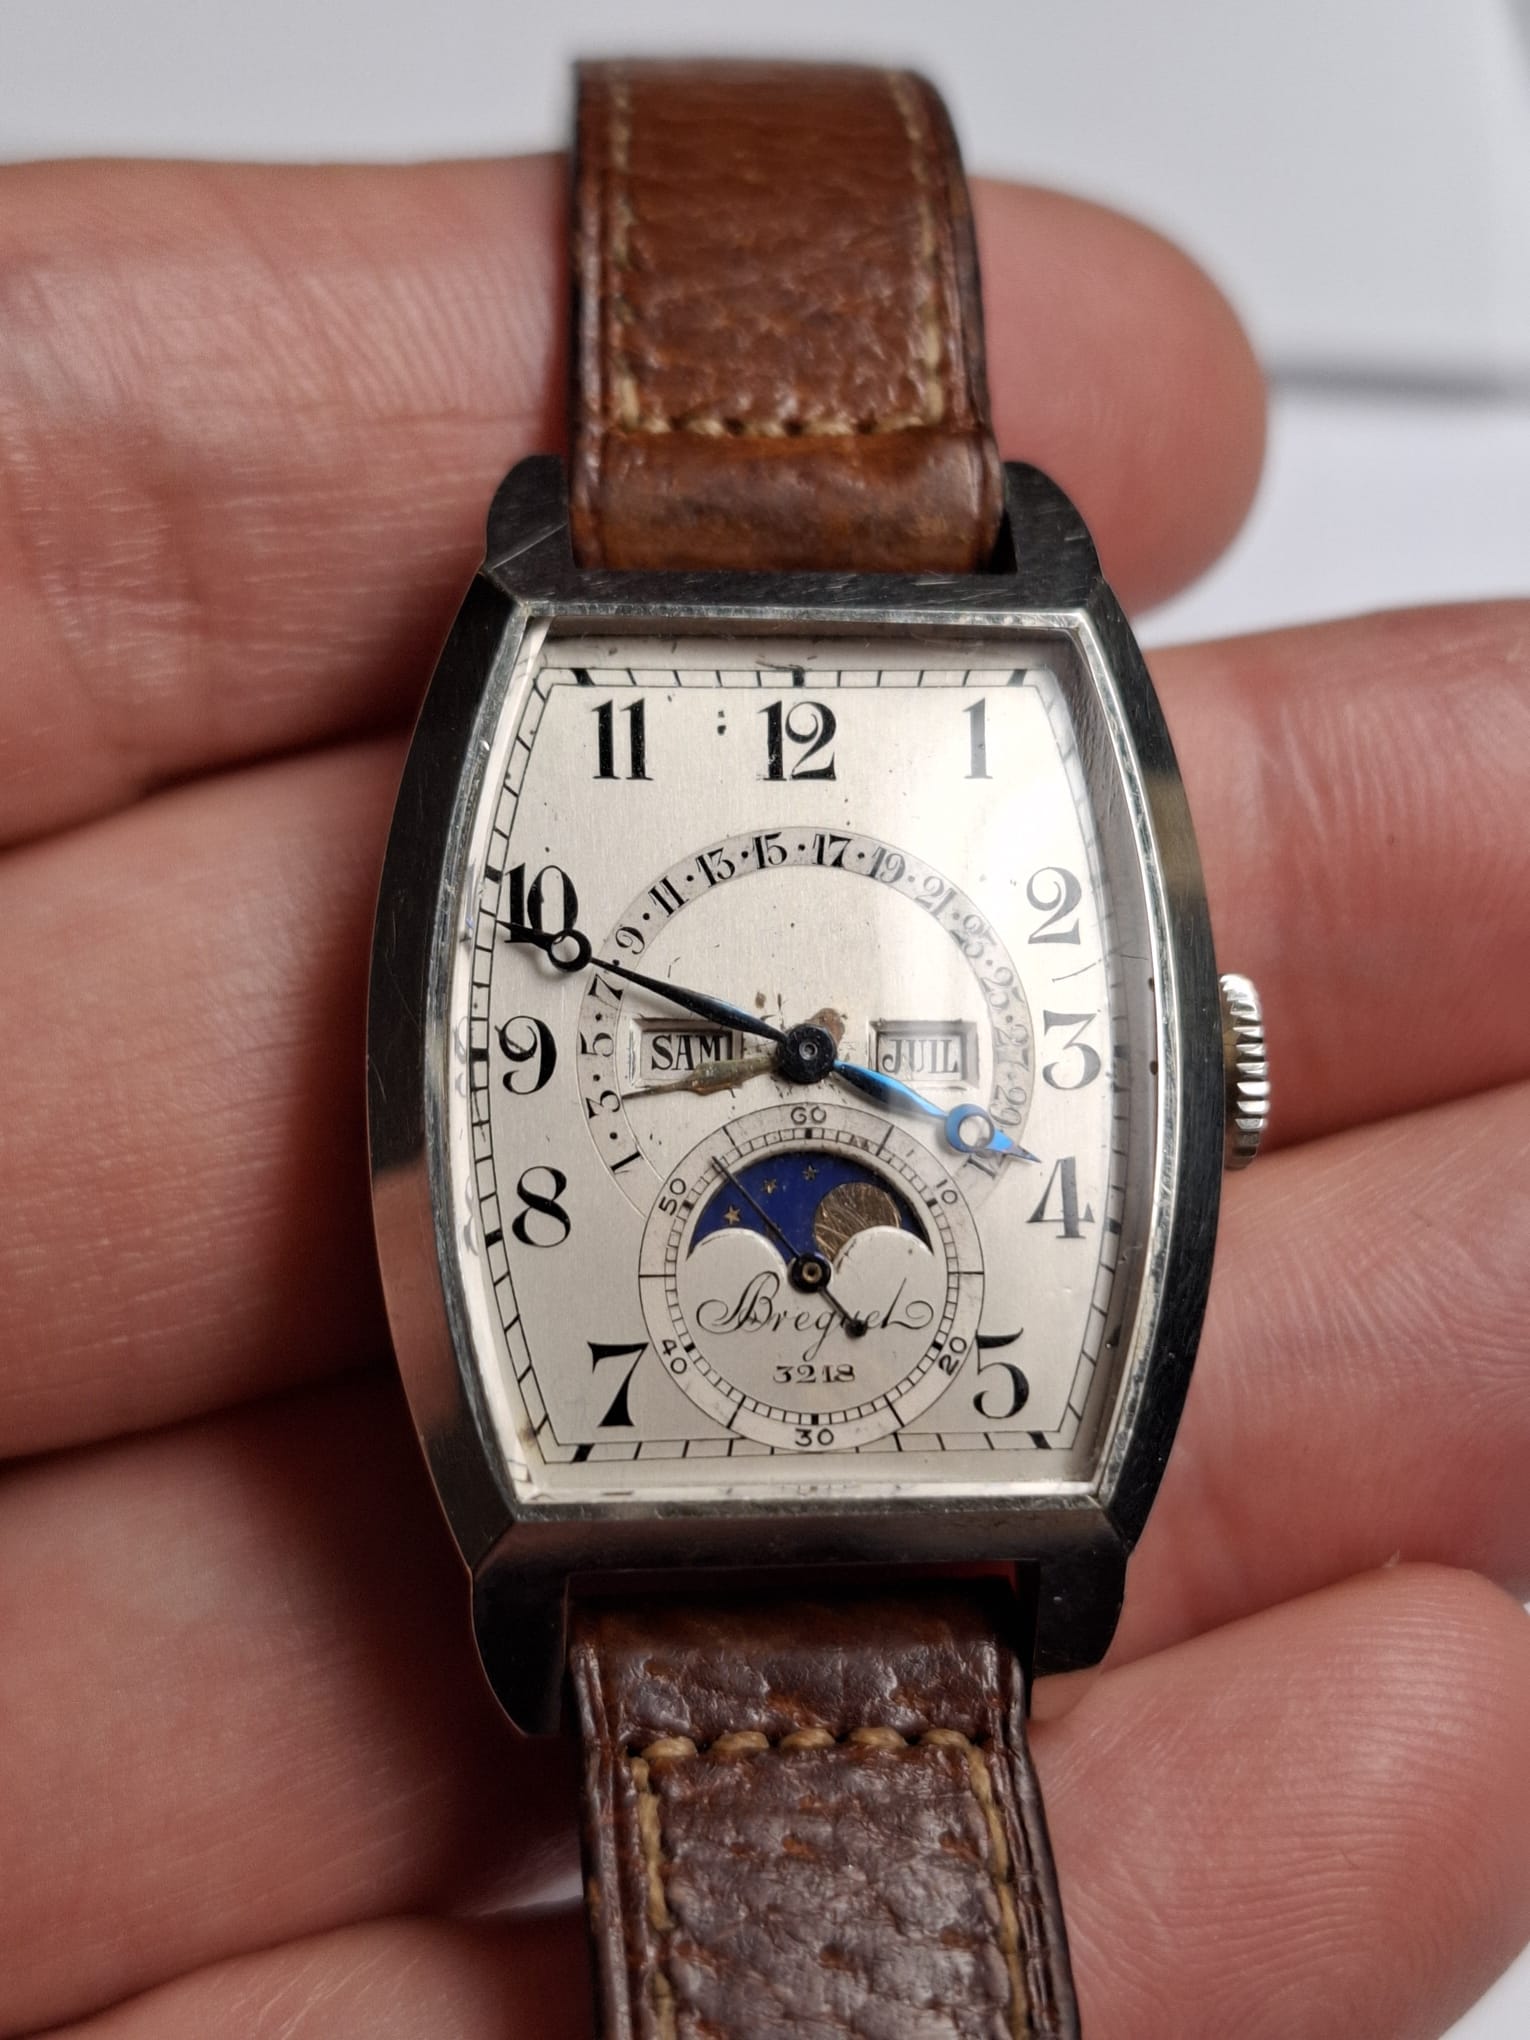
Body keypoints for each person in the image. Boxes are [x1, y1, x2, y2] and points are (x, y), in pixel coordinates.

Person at [1, 151, 1527, 2040]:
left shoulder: (958, 616)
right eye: (786, 1056)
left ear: (1199, 1064)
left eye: (819, 1058)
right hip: (618, 1516)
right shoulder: (616, 616)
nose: (805, 1066)